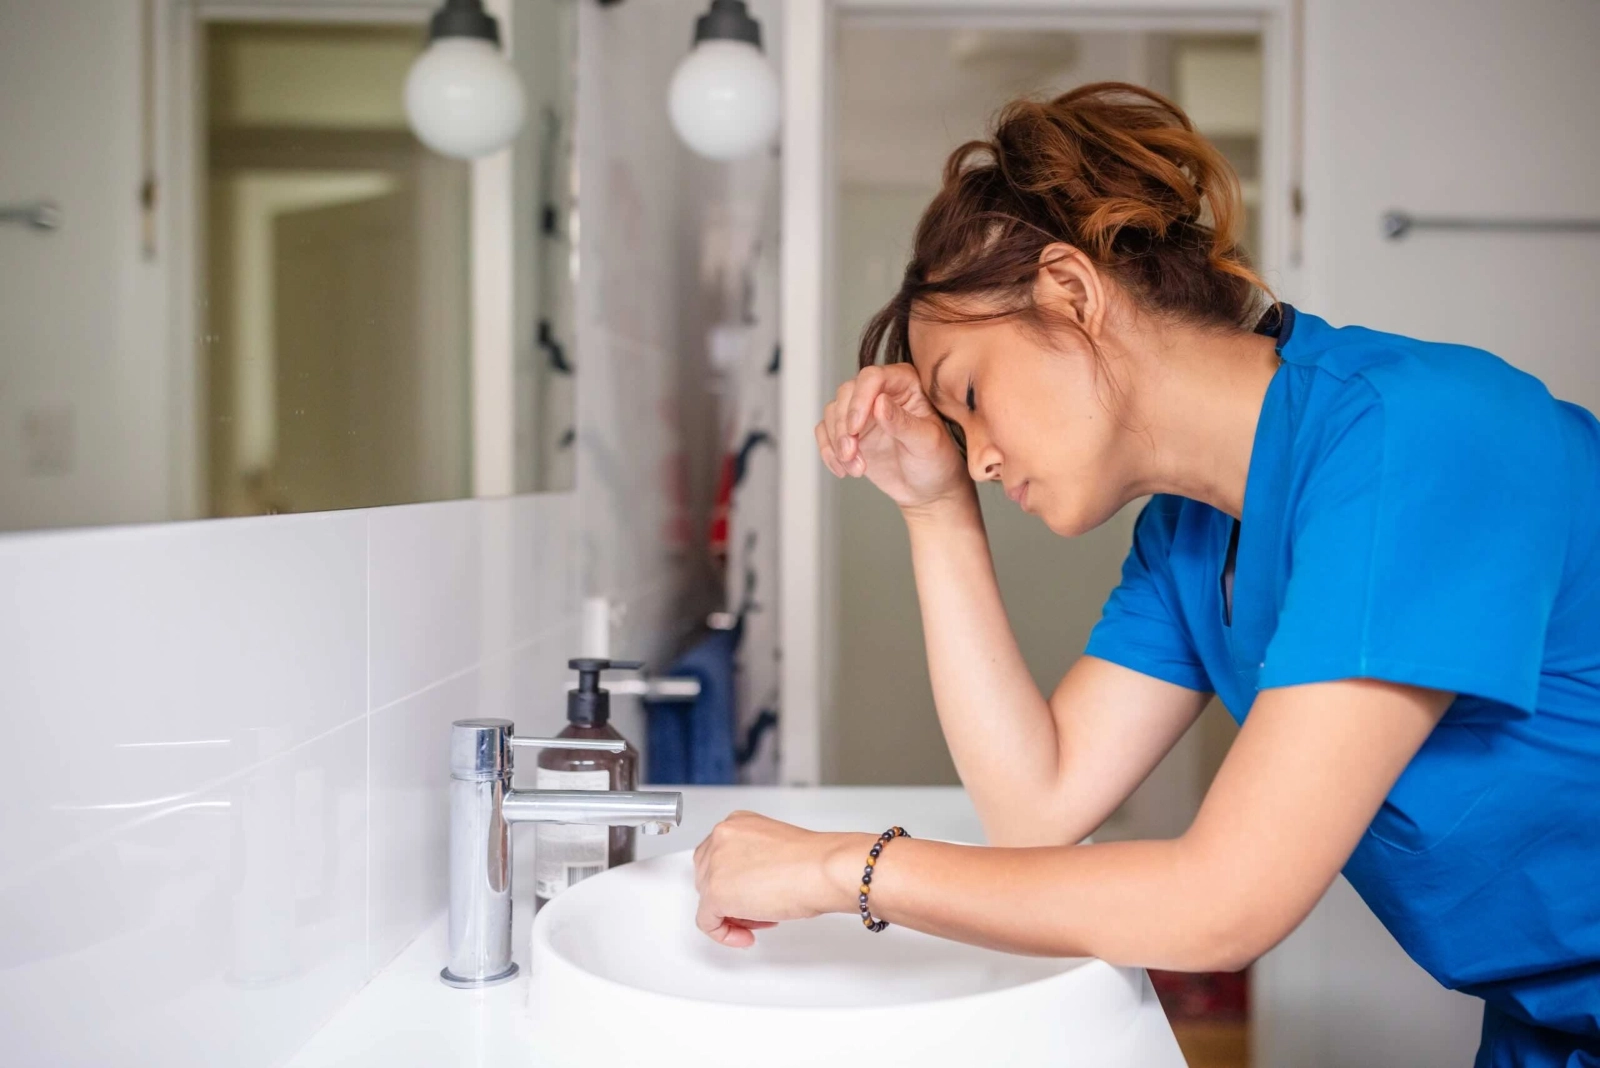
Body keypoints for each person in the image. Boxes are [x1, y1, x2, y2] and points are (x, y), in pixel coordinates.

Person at [689, 82, 1600, 1067]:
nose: (982, 458)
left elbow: (1224, 904)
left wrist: (843, 870)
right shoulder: (1190, 537)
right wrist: (932, 502)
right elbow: (1035, 806)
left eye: (972, 397)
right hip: (1542, 1029)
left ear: (1072, 292)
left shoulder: (1413, 439)